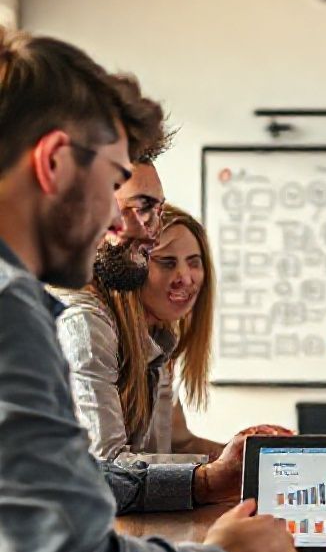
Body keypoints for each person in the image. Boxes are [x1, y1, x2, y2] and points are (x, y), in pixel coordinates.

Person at [0, 26, 297, 552]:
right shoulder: (16, 311)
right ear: (51, 164)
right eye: (112, 187)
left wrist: (201, 481)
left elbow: (73, 478)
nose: (122, 226)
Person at [54, 164, 289, 514]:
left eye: (194, 263)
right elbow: (107, 470)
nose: (186, 277)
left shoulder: (159, 339)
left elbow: (178, 443)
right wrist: (210, 477)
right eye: (165, 262)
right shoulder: (87, 324)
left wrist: (251, 460)